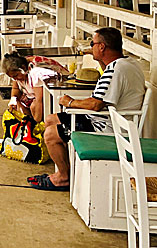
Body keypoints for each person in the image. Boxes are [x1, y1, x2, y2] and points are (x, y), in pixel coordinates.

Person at [29, 27, 145, 191]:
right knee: (50, 119)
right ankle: (68, 169)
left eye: (93, 44)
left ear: (102, 47)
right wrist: (99, 59)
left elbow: (96, 104)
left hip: (107, 127)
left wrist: (70, 102)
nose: (91, 48)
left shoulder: (115, 70)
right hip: (107, 118)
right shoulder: (128, 63)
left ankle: (63, 177)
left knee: (50, 134)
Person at [1, 52, 55, 125]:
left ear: (23, 68)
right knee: (17, 104)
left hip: (46, 99)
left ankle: (34, 124)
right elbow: (15, 88)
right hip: (30, 98)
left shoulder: (35, 73)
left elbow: (39, 100)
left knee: (34, 106)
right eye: (12, 77)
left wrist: (36, 123)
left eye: (16, 75)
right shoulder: (16, 75)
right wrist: (13, 99)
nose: (15, 79)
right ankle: (27, 122)